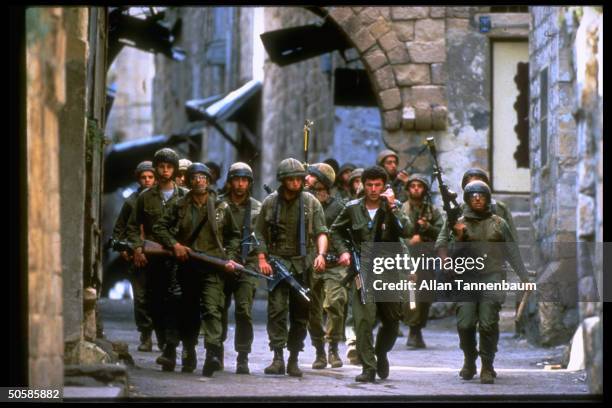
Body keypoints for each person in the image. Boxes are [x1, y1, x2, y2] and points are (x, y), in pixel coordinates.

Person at [153, 162, 241, 376]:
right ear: (189, 181)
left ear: (209, 182)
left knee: (212, 309)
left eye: (203, 178)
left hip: (213, 267)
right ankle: (189, 351)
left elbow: (234, 236)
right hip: (187, 266)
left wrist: (229, 258)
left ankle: (212, 353)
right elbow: (159, 227)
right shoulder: (179, 205)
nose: (199, 181)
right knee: (188, 311)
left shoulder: (220, 206)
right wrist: (175, 245)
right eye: (195, 177)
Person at [439, 180, 531, 384]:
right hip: (466, 279)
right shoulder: (457, 223)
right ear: (467, 199)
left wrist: (524, 276)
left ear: (488, 199)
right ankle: (469, 359)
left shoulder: (499, 223)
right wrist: (460, 237)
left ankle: (487, 365)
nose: (477, 198)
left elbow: (512, 252)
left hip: (492, 275)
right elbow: (448, 252)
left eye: (481, 195)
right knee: (465, 324)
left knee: (488, 323)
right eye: (473, 195)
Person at [330, 165, 411, 382]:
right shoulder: (352, 207)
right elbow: (335, 231)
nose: (373, 189)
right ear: (362, 185)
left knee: (393, 320)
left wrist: (393, 206)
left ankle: (381, 352)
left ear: (384, 186)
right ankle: (368, 367)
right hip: (363, 269)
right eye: (369, 185)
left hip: (389, 269)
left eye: (377, 185)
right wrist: (344, 251)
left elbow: (407, 230)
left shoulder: (394, 206)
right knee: (363, 320)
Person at [255, 158, 328, 377]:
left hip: (303, 264)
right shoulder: (270, 202)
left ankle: (294, 357)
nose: (296, 183)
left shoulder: (310, 202)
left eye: (299, 179)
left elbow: (321, 232)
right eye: (291, 179)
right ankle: (277, 357)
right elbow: (259, 233)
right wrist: (262, 259)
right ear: (283, 180)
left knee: (300, 314)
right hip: (277, 264)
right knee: (276, 311)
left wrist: (321, 255)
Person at [127, 148, 188, 362]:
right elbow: (133, 227)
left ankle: (172, 347)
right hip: (154, 260)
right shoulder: (145, 198)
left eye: (169, 167)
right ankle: (164, 344)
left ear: (175, 170)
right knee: (155, 304)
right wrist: (137, 248)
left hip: (180, 259)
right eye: (161, 166)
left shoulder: (185, 197)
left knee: (177, 301)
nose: (164, 171)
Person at [218, 162, 262, 375]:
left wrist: (260, 258)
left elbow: (263, 237)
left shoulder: (257, 208)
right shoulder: (219, 205)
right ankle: (215, 350)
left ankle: (243, 356)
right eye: (237, 179)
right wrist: (224, 258)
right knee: (218, 308)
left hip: (248, 264)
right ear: (230, 181)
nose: (240, 184)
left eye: (244, 180)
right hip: (222, 262)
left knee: (244, 310)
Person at [305, 163, 348, 369]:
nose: (307, 179)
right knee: (311, 310)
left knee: (335, 302)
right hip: (310, 263)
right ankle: (319, 349)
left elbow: (343, 234)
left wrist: (344, 252)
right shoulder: (303, 203)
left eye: (312, 177)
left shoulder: (338, 206)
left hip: (333, 264)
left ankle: (333, 347)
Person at [111, 160, 156, 352]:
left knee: (161, 298)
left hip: (159, 257)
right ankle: (146, 334)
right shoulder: (131, 202)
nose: (147, 180)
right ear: (138, 179)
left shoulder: (163, 200)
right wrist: (124, 249)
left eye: (150, 177)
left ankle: (164, 337)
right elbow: (118, 230)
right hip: (137, 258)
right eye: (143, 177)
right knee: (141, 298)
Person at [400, 174, 443, 349]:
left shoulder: (433, 211)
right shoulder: (401, 210)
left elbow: (442, 232)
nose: (416, 188)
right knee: (411, 295)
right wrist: (409, 242)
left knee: (425, 295)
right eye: (413, 185)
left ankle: (418, 328)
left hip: (426, 257)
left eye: (419, 186)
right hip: (407, 257)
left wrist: (428, 228)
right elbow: (394, 233)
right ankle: (413, 330)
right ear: (408, 189)